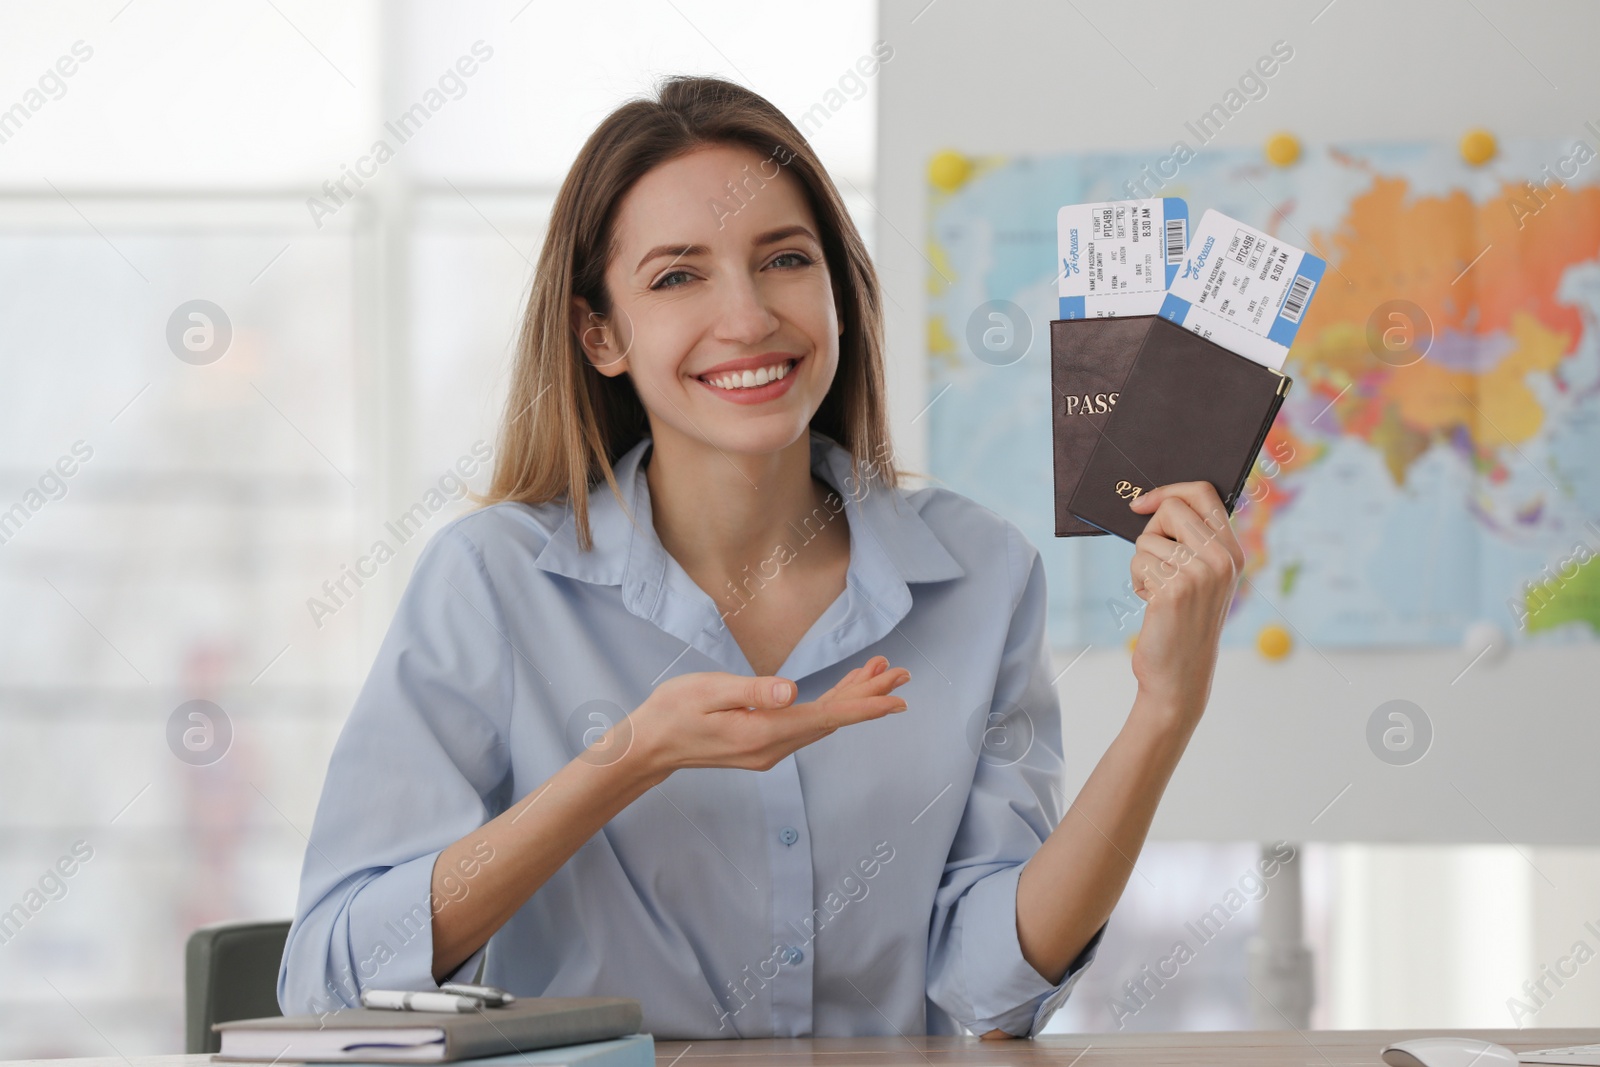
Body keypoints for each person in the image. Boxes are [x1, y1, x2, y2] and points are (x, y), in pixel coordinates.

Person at [277, 74, 1246, 1040]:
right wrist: (628, 757)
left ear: (835, 288)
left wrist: (1164, 712)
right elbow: (328, 982)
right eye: (676, 275)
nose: (745, 317)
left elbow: (991, 990)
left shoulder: (981, 574)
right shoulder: (488, 584)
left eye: (783, 258)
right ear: (599, 331)